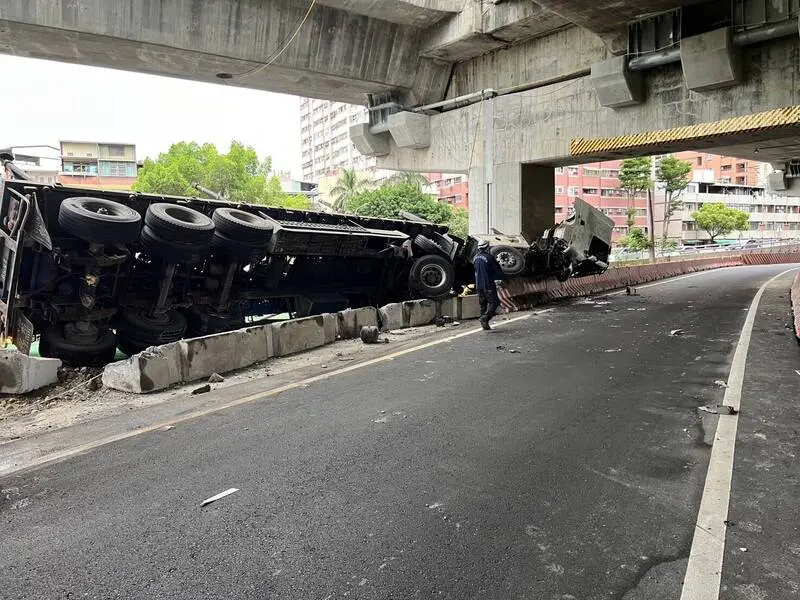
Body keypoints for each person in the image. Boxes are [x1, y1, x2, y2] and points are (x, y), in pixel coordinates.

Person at [473, 240, 505, 330]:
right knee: (494, 303)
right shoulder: (490, 258)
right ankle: (485, 318)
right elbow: (498, 271)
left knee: (483, 304)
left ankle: (485, 324)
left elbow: (476, 271)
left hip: (478, 285)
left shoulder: (475, 258)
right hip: (488, 284)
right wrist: (502, 279)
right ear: (487, 247)